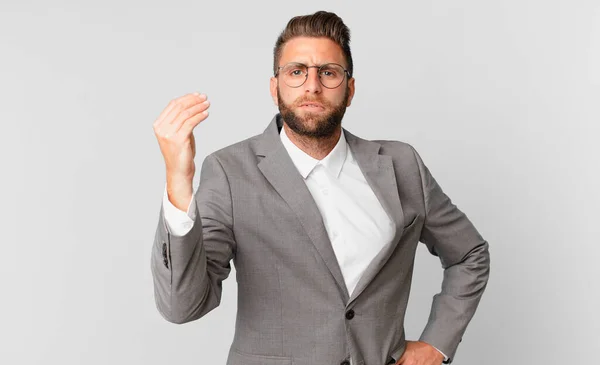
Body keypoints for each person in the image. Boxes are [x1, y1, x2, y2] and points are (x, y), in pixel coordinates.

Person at [151, 10, 490, 365]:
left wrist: (438, 343)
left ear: (350, 89)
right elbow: (182, 306)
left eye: (327, 73)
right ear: (275, 87)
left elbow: (470, 254)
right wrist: (178, 180)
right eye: (297, 72)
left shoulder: (402, 165)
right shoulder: (231, 171)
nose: (312, 85)